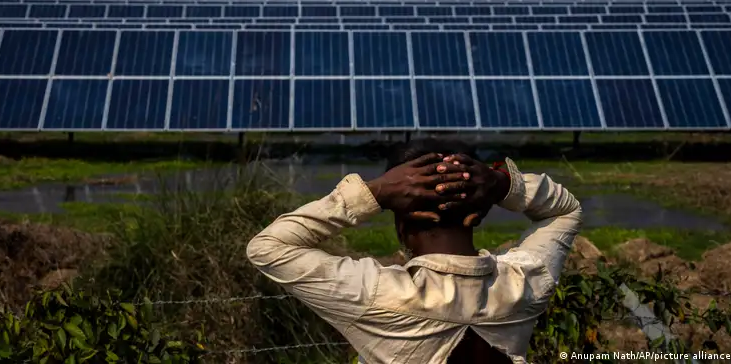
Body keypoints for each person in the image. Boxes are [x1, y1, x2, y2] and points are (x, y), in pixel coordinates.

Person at [247, 139, 582, 364]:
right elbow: (565, 210)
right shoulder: (525, 283)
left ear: (402, 224)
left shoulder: (374, 294)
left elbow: (268, 247)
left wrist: (375, 192)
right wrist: (501, 184)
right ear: (477, 216)